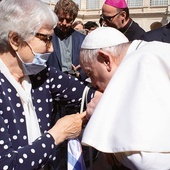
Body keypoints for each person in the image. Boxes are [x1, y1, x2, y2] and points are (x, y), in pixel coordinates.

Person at [0, 0, 100, 169]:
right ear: (15, 40)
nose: (51, 49)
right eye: (46, 39)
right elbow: (7, 164)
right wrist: (57, 134)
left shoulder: (40, 75)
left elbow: (86, 94)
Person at [79, 27, 170, 170]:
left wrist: (102, 113)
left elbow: (148, 162)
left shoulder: (141, 63)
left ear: (106, 60)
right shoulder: (153, 50)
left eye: (91, 73)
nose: (94, 84)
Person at [47, 0, 86, 81]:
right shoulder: (47, 37)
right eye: (61, 19)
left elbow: (90, 65)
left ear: (73, 19)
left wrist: (80, 73)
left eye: (68, 20)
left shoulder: (82, 39)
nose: (64, 23)